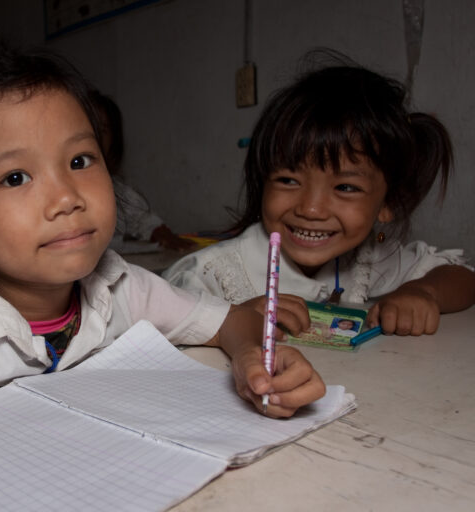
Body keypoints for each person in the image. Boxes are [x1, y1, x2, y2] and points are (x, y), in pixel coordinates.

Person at [0, 42, 325, 422]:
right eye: (15, 177)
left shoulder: (125, 289)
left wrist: (251, 361)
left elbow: (228, 321)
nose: (67, 196)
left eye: (80, 160)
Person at [164, 58, 475, 337]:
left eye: (345, 187)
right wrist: (230, 322)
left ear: (388, 203)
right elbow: (149, 339)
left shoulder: (367, 259)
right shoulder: (210, 274)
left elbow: (462, 275)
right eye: (288, 180)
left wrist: (424, 292)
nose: (311, 209)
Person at [90, 90, 196, 251]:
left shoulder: (118, 190)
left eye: (102, 130)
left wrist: (161, 234)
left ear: (114, 140)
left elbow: (144, 220)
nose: (94, 137)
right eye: (88, 127)